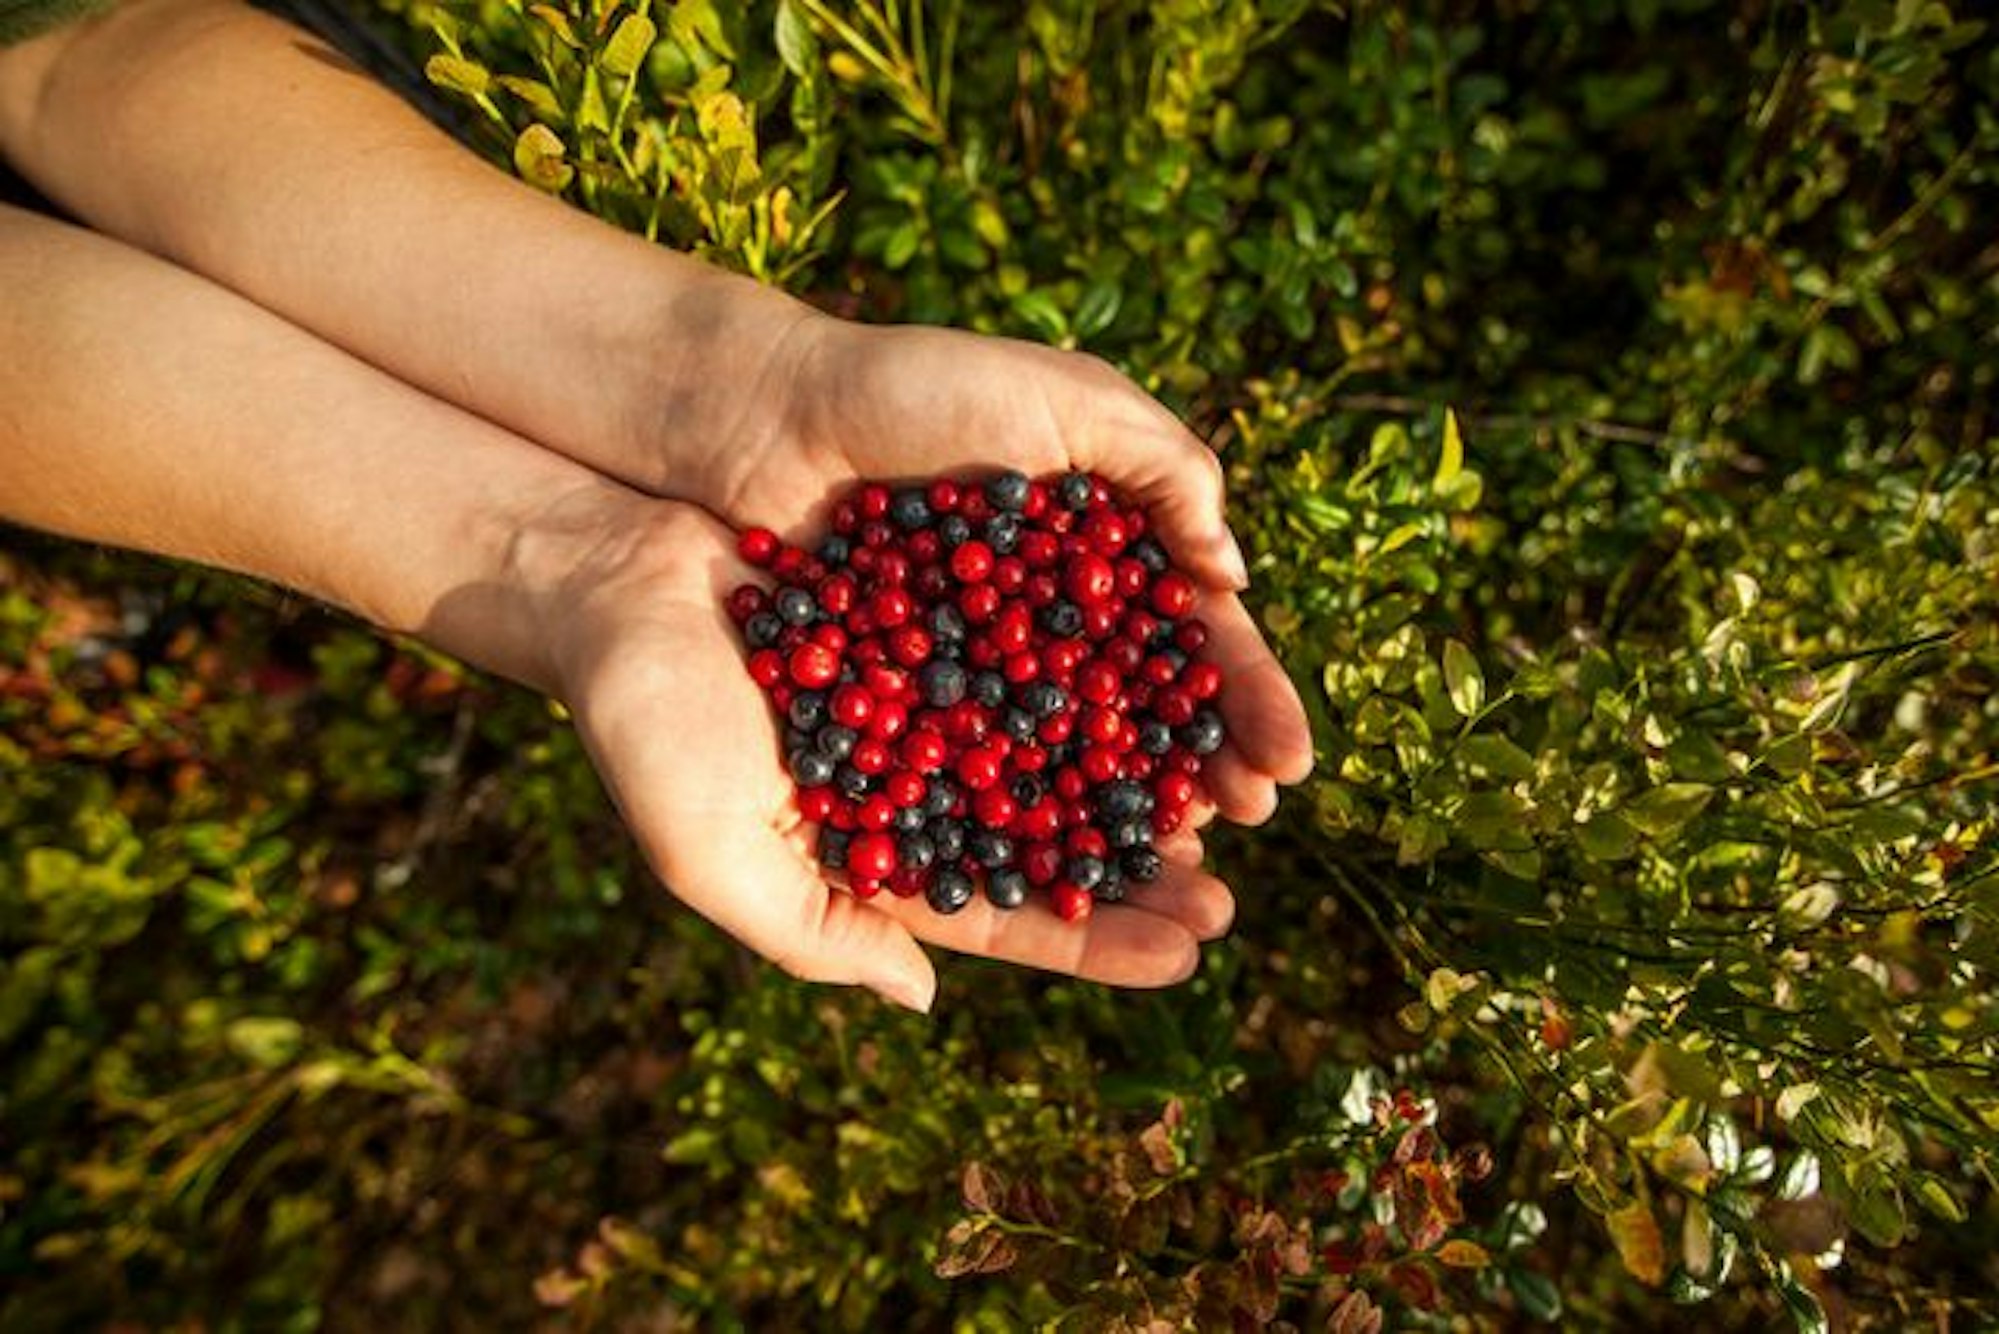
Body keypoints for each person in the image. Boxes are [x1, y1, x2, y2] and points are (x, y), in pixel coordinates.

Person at [0, 0, 1313, 1013]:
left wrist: (730, 392)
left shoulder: (961, 647)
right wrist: (591, 548)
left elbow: (67, 49)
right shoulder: (937, 670)